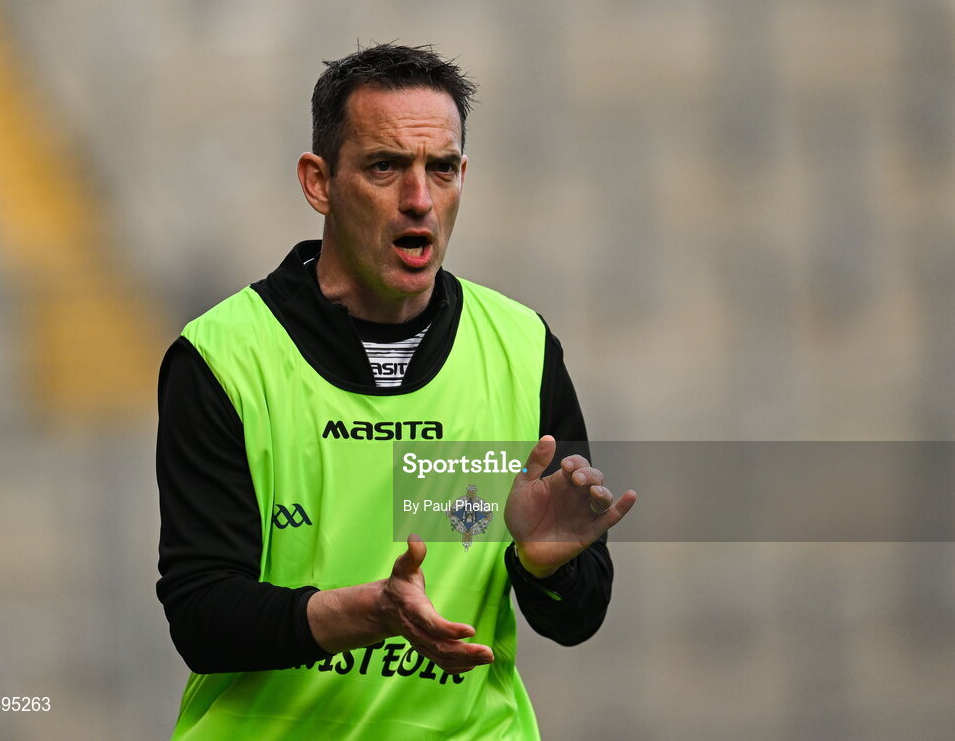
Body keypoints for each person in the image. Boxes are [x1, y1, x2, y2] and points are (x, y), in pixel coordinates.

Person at [156, 43, 636, 739]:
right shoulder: (224, 358)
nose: (419, 199)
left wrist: (544, 565)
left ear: (462, 175)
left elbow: (577, 617)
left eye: (440, 169)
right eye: (385, 167)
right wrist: (370, 612)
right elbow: (203, 617)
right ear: (318, 182)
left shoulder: (522, 347)